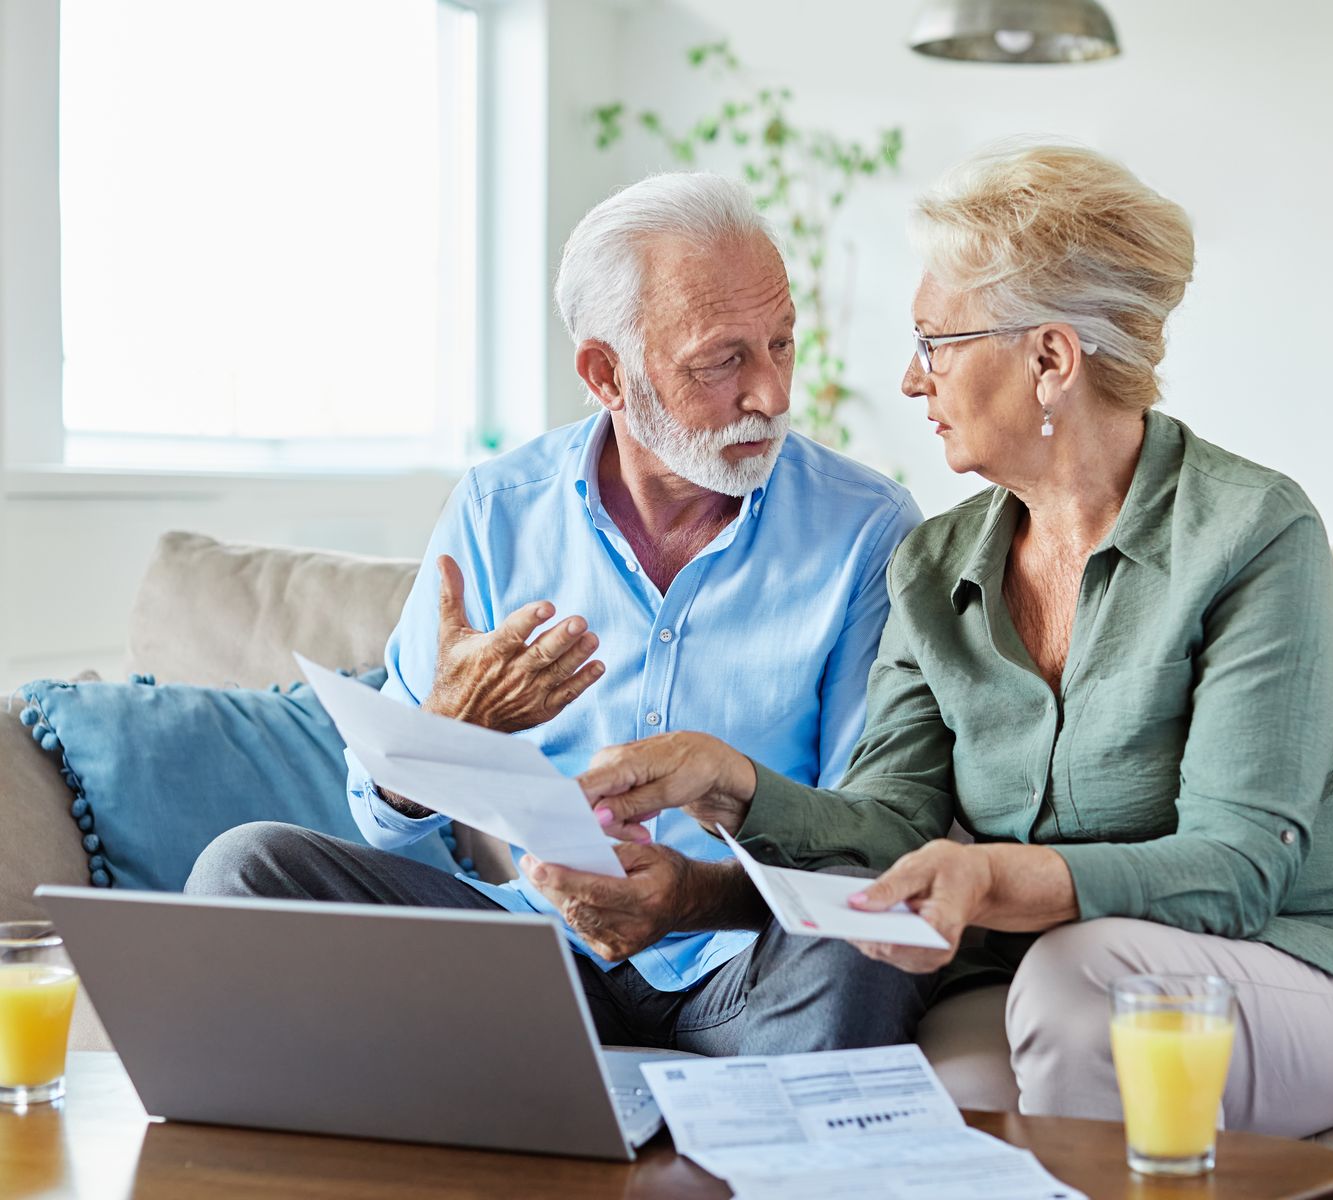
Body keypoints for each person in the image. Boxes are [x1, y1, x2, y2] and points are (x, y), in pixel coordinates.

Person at [578, 143, 1333, 1136]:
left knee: (1070, 983)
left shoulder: (1249, 534)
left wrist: (991, 879)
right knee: (955, 1071)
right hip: (1079, 971)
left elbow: (1236, 866)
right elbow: (891, 821)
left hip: (1325, 963)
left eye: (935, 342)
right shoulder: (933, 567)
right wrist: (728, 783)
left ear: (1049, 360)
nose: (910, 380)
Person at [186, 172, 927, 1056]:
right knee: (248, 869)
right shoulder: (498, 510)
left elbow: (864, 841)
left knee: (871, 941)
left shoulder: (865, 529)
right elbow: (382, 821)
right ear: (605, 373)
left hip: (748, 959)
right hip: (537, 951)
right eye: (723, 360)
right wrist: (441, 733)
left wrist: (690, 890)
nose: (769, 395)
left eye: (780, 345)